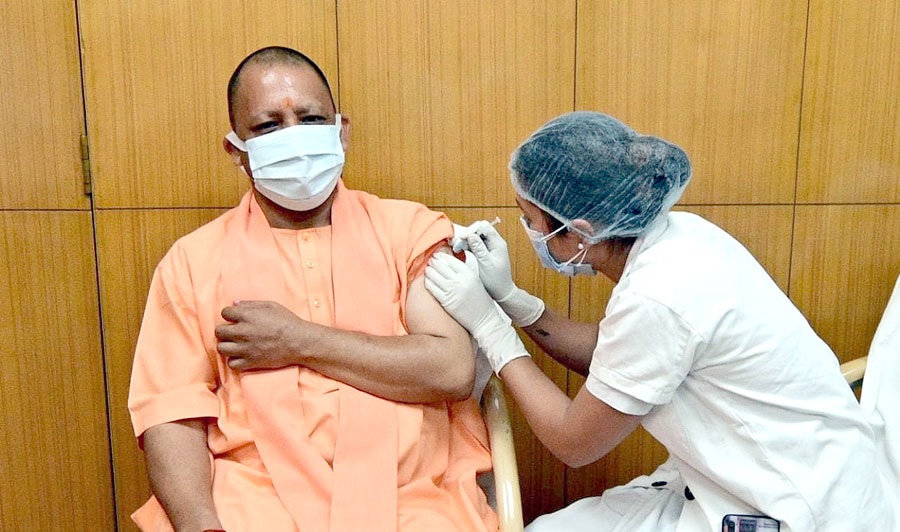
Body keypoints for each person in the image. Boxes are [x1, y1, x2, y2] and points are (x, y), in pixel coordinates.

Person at [425, 111, 897, 531]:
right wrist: (513, 301)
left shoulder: (658, 297)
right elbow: (614, 355)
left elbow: (573, 441)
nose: (528, 232)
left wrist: (491, 330)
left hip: (800, 508)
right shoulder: (682, 237)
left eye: (530, 220)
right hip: (796, 472)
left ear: (579, 234)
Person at [127, 46, 498, 532]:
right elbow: (171, 414)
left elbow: (450, 368)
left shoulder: (408, 230)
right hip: (255, 502)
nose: (294, 137)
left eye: (310, 119)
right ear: (237, 150)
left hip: (412, 499)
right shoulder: (192, 261)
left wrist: (298, 340)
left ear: (341, 131)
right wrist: (203, 525)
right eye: (268, 126)